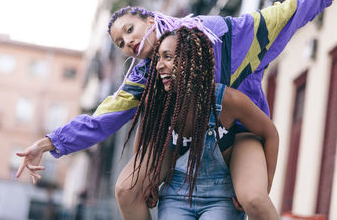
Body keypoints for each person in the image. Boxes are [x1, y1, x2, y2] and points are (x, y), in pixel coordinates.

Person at [15, 0, 332, 214]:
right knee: (126, 188)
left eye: (129, 29)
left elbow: (272, 19)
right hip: (180, 140)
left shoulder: (216, 35)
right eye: (120, 42)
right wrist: (47, 143)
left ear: (150, 20)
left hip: (238, 133)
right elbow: (101, 119)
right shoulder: (143, 77)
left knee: (253, 198)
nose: (128, 42)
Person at [117, 27, 278, 220]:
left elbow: (270, 133)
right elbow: (145, 134)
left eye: (167, 57)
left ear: (192, 61)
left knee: (254, 199)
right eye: (158, 58)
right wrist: (146, 181)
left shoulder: (227, 100)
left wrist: (264, 187)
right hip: (177, 192)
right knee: (125, 189)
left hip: (221, 194)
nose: (159, 65)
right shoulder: (159, 101)